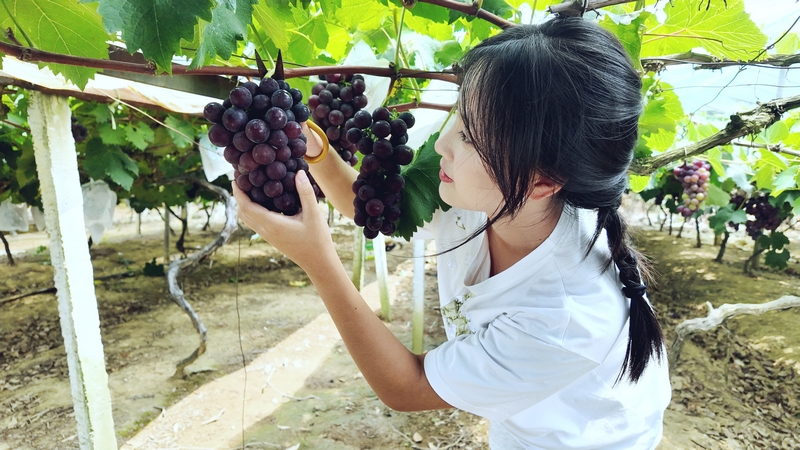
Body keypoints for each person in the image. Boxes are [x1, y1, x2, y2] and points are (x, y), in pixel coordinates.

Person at [232, 16, 671, 450]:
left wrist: (317, 261)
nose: (442, 143)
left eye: (470, 137)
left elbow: (409, 387)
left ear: (540, 181)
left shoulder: (568, 316)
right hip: (524, 425)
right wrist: (318, 151)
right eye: (458, 117)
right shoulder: (495, 199)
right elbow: (378, 211)